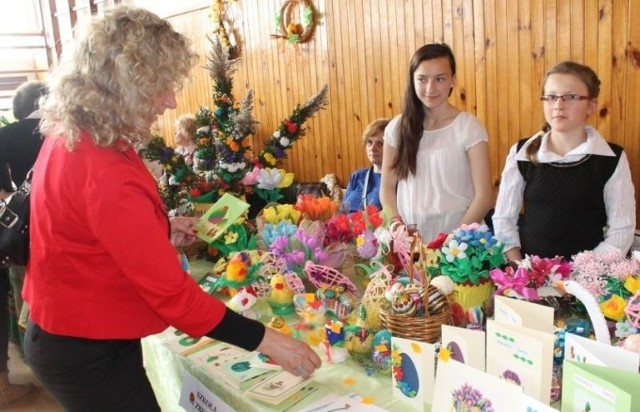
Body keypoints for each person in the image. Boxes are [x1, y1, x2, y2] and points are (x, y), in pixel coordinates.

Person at [22, 6, 320, 411]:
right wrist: (269, 341)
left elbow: (87, 231)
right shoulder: (103, 167)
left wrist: (157, 229)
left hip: (71, 333)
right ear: (123, 87)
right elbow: (175, 298)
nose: (171, 100)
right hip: (85, 347)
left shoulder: (77, 134)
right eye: (160, 87)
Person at [492, 61, 636, 261]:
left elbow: (622, 230)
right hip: (529, 274)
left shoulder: (610, 159)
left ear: (591, 105)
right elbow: (504, 220)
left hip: (588, 278)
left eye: (570, 97)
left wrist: (579, 275)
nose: (558, 105)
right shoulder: (522, 153)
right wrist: (520, 270)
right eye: (551, 97)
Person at [379, 43, 493, 241]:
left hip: (460, 244)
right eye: (422, 79)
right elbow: (387, 187)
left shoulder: (468, 127)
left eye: (439, 79)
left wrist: (452, 240)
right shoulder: (398, 128)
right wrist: (397, 225)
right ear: (412, 80)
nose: (430, 88)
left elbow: (484, 197)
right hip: (411, 242)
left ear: (452, 80)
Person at [0, 80, 47, 407]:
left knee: (24, 295)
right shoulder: (59, 130)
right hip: (57, 226)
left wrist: (17, 200)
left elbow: (4, 189)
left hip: (22, 229)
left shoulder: (7, 135)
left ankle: (34, 354)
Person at [343, 118, 389, 212]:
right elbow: (341, 212)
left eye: (380, 144)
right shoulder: (357, 176)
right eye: (369, 142)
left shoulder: (397, 181)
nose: (372, 148)